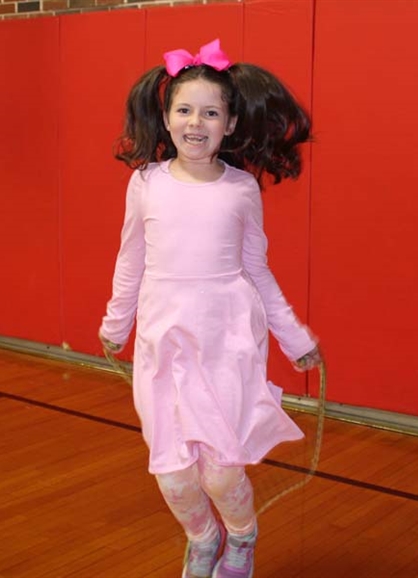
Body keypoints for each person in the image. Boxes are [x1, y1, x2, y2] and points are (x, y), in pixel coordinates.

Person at [99, 39, 322, 578]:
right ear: (167, 116)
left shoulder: (241, 188)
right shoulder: (145, 184)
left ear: (229, 123)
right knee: (175, 474)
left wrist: (295, 338)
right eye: (184, 109)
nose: (196, 122)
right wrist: (116, 322)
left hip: (226, 340)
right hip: (164, 340)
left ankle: (241, 537)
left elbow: (258, 271)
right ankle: (203, 538)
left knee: (221, 473)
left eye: (210, 112)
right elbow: (130, 259)